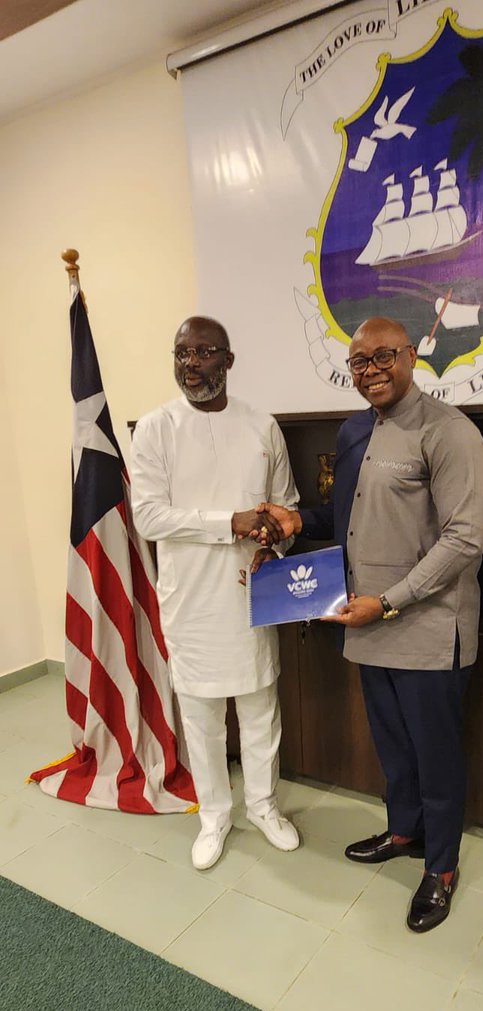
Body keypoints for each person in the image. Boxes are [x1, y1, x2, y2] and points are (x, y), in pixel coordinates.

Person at [256, 317, 483, 932]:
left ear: (411, 356)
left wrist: (388, 602)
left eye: (384, 356)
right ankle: (404, 832)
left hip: (428, 628)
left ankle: (440, 868)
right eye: (359, 361)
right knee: (393, 747)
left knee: (436, 756)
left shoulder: (451, 432)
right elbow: (345, 515)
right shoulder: (356, 429)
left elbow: (465, 540)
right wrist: (294, 523)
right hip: (367, 624)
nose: (371, 370)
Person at [130, 316, 300, 870]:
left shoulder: (262, 425)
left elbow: (286, 503)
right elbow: (150, 516)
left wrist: (271, 535)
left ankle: (264, 806)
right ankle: (213, 816)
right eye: (182, 353)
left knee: (259, 708)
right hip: (192, 600)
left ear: (228, 361)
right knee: (201, 716)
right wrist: (230, 521)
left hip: (252, 594)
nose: (191, 364)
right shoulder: (155, 428)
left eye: (204, 353)